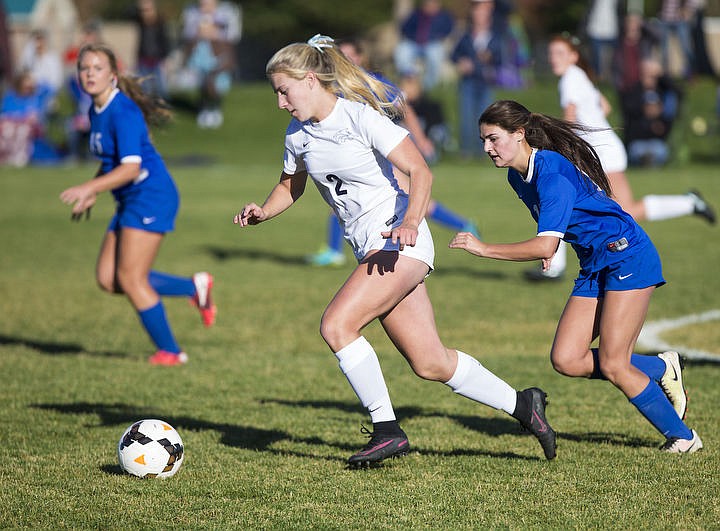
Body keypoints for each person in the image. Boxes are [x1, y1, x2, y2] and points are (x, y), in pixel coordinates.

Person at [233, 35, 557, 467]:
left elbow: (419, 169)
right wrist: (263, 210)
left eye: (283, 90)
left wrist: (408, 222)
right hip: (371, 247)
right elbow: (291, 184)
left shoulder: (359, 118)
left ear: (310, 80)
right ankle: (524, 405)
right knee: (430, 362)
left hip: (397, 243)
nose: (280, 102)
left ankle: (387, 430)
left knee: (337, 325)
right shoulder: (297, 135)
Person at [450, 99, 703, 454]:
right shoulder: (517, 176)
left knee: (615, 362)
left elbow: (544, 245)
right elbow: (554, 230)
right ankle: (660, 367)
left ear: (519, 134)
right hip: (595, 264)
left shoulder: (551, 172)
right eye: (482, 141)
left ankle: (684, 438)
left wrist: (486, 248)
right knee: (567, 359)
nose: (487, 148)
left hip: (627, 255)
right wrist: (547, 243)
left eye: (493, 139)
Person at [59, 44, 217, 366]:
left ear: (113, 75)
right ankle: (193, 287)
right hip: (130, 198)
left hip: (151, 196)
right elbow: (112, 161)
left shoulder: (123, 111)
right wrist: (94, 190)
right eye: (84, 68)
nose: (89, 74)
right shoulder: (95, 109)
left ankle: (171, 352)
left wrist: (88, 186)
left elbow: (130, 168)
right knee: (109, 279)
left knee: (132, 279)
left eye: (97, 68)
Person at [526, 34, 715, 281]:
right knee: (568, 202)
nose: (553, 59)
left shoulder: (571, 78)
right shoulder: (580, 76)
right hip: (599, 152)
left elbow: (570, 116)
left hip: (601, 153)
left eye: (560, 53)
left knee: (620, 210)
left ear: (573, 55)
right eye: (551, 53)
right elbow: (605, 107)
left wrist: (560, 145)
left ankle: (689, 203)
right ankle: (554, 267)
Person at [306, 39, 478, 267]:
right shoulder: (332, 88)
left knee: (416, 197)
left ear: (360, 58)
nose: (344, 61)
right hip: (361, 157)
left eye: (348, 55)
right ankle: (334, 250)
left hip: (386, 153)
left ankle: (462, 226)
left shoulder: (372, 82)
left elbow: (406, 111)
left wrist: (422, 141)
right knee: (341, 201)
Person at [450, 0, 503, 159]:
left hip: (485, 82)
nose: (480, 15)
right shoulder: (466, 35)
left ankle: (484, 152)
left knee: (486, 118)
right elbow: (454, 55)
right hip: (468, 81)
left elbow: (500, 59)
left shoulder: (495, 36)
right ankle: (466, 151)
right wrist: (462, 62)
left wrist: (490, 59)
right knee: (466, 116)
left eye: (484, 11)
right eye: (477, 11)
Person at [180, 0, 241, 129]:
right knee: (202, 83)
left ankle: (215, 108)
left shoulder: (227, 12)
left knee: (217, 84)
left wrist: (215, 32)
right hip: (200, 53)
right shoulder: (191, 13)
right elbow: (186, 34)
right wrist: (198, 32)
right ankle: (205, 108)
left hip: (219, 53)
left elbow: (234, 34)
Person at [621, 58, 682, 167]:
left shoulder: (662, 91)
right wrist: (644, 109)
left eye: (653, 75)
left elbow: (678, 92)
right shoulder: (633, 92)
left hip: (657, 141)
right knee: (637, 151)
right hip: (637, 141)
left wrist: (662, 76)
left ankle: (648, 161)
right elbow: (629, 109)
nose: (649, 78)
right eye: (646, 74)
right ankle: (645, 161)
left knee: (659, 151)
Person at [394, 0, 455, 91]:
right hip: (414, 43)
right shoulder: (416, 14)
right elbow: (404, 28)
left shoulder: (444, 16)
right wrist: (412, 37)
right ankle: (410, 79)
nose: (430, 6)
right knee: (401, 51)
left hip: (432, 44)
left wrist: (437, 37)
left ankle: (428, 87)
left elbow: (448, 29)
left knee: (435, 54)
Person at [134, 0, 171, 98]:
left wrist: (165, 58)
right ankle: (149, 108)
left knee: (161, 88)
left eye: (148, 10)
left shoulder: (160, 23)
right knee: (145, 88)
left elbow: (165, 42)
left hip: (157, 60)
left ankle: (163, 108)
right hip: (143, 59)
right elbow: (128, 12)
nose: (146, 13)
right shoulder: (140, 23)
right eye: (143, 10)